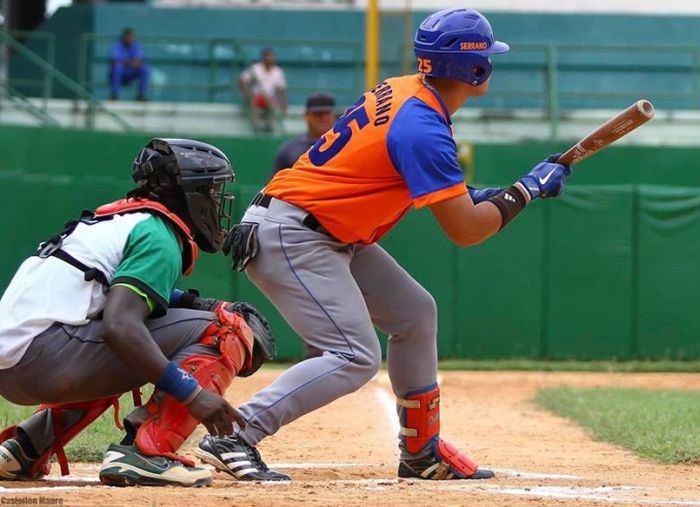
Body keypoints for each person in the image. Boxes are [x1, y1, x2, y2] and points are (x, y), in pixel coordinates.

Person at [197, 8, 572, 481]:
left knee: (415, 312)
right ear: (474, 69)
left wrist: (495, 194)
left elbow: (428, 187)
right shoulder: (423, 125)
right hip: (296, 234)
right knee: (353, 355)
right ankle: (234, 433)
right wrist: (525, 191)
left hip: (324, 230)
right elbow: (466, 229)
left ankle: (421, 452)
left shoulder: (406, 91)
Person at [0, 138, 276, 487]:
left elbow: (119, 296)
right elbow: (120, 325)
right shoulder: (158, 233)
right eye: (209, 189)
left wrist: (201, 304)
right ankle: (147, 453)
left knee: (137, 337)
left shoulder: (119, 219)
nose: (215, 199)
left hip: (17, 366)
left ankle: (24, 447)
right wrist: (193, 395)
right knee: (226, 329)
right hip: (48, 358)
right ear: (184, 192)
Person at [270, 92, 336, 179]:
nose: (322, 118)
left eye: (326, 113)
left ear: (333, 115)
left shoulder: (346, 146)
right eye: (318, 113)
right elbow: (274, 187)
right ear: (306, 115)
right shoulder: (290, 150)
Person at [239, 48, 287, 133]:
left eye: (271, 57)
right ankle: (256, 127)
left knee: (272, 104)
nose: (269, 59)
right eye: (267, 56)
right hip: (255, 96)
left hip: (268, 98)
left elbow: (282, 89)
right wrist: (246, 92)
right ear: (263, 57)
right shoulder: (255, 68)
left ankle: (268, 127)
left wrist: (283, 103)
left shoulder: (278, 71)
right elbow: (243, 80)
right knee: (253, 100)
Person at [110, 28, 149, 101]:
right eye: (129, 37)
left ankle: (141, 95)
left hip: (132, 72)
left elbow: (139, 61)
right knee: (117, 68)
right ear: (124, 37)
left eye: (132, 37)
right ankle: (115, 95)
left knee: (144, 68)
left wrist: (125, 62)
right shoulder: (118, 45)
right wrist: (130, 63)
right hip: (121, 73)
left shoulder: (135, 45)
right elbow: (115, 60)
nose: (130, 39)